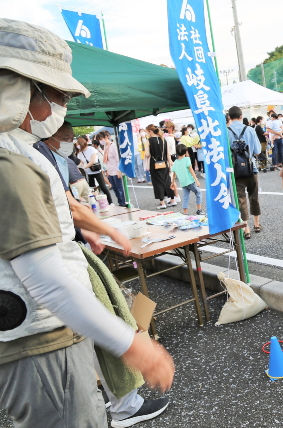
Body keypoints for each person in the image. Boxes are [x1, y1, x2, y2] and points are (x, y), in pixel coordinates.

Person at [0, 18, 173, 428]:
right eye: (55, 93)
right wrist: (132, 344)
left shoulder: (14, 150)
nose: (61, 104)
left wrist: (93, 229)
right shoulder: (11, 162)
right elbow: (45, 281)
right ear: (18, 89)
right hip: (40, 336)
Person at [227, 106, 262, 239]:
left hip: (236, 171)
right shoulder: (250, 130)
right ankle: (257, 224)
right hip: (251, 168)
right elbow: (257, 151)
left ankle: (246, 227)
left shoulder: (226, 131)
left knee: (240, 199)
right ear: (241, 116)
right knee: (254, 196)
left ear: (229, 117)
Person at [146, 124, 177, 209]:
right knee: (167, 181)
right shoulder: (164, 140)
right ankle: (172, 200)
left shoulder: (149, 140)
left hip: (154, 164)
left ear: (150, 131)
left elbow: (147, 154)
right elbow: (168, 154)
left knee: (157, 182)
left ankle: (162, 203)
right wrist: (170, 164)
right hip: (164, 163)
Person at [76, 136, 113, 204]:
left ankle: (110, 202)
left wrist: (83, 168)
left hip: (97, 171)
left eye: (78, 144)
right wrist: (77, 167)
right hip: (89, 173)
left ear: (81, 143)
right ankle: (96, 203)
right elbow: (82, 162)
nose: (77, 146)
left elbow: (92, 161)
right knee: (92, 189)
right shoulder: (80, 153)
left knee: (103, 187)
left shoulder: (91, 149)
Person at [170, 144, 202, 215]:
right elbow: (191, 170)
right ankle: (199, 210)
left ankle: (185, 213)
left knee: (185, 198)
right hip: (190, 182)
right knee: (198, 193)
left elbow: (174, 173)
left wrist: (172, 183)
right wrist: (196, 180)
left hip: (183, 183)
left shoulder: (175, 162)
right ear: (185, 152)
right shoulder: (187, 159)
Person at [103, 130, 126, 206]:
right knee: (115, 189)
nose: (100, 141)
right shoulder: (105, 147)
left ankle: (123, 203)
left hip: (116, 170)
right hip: (110, 170)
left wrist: (119, 171)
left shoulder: (113, 146)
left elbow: (118, 159)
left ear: (105, 137)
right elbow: (106, 160)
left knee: (119, 188)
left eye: (100, 139)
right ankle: (120, 202)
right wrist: (107, 170)